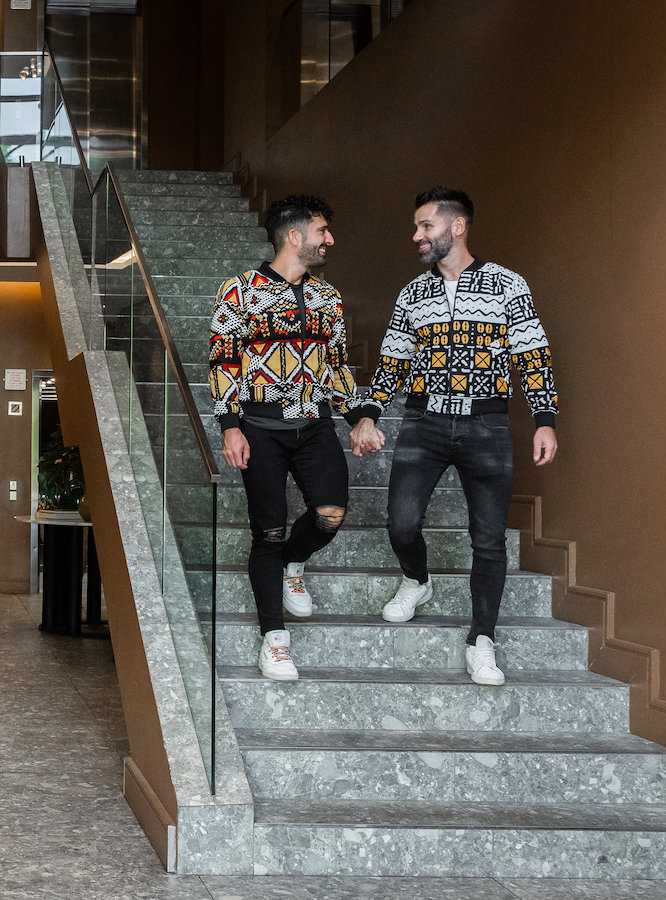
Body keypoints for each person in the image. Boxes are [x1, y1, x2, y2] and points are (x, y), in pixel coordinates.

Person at [348, 186, 560, 686]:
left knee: (488, 539)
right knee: (401, 523)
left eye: (425, 226)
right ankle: (417, 581)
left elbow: (533, 353)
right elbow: (394, 360)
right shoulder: (412, 293)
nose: (416, 235)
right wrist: (370, 414)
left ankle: (482, 639)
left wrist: (544, 418)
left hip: (487, 426)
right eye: (418, 227)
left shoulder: (508, 285)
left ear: (456, 226)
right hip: (423, 422)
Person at [209, 195, 357, 681]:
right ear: (295, 236)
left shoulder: (327, 298)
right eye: (322, 230)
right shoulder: (240, 292)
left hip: (313, 425)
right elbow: (224, 361)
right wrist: (231, 425)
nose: (328, 239)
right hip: (260, 428)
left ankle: (295, 561)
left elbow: (336, 366)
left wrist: (358, 415)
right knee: (267, 532)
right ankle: (273, 638)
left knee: (331, 514)